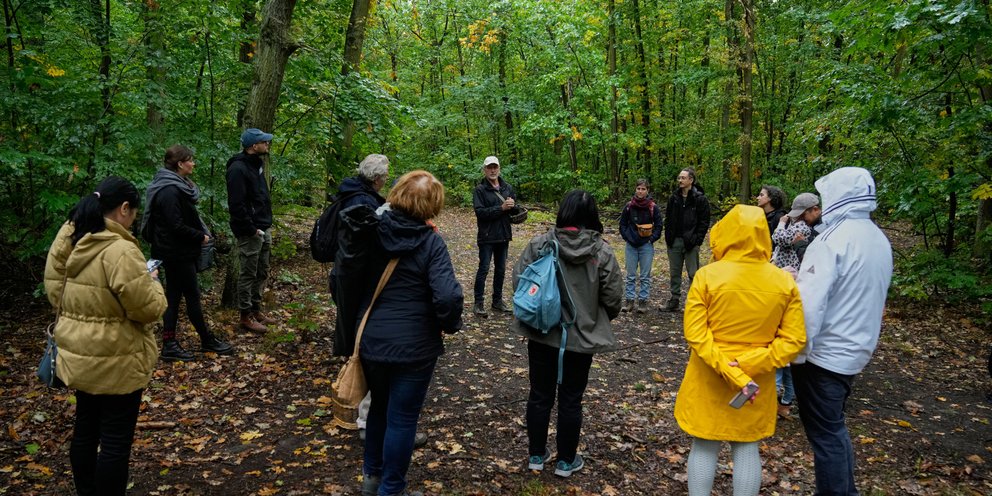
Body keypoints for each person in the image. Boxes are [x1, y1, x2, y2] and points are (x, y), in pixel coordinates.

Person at [339, 170, 463, 496]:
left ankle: (372, 478)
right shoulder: (431, 243)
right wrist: (450, 324)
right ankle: (392, 489)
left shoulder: (369, 232)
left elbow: (343, 278)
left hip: (371, 340)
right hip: (415, 347)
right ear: (432, 206)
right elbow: (448, 297)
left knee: (379, 407)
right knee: (403, 418)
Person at [44, 177, 168, 495]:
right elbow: (148, 309)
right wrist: (153, 281)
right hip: (118, 357)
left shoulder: (68, 235)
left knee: (85, 428)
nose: (133, 221)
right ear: (124, 208)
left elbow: (56, 291)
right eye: (134, 214)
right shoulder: (121, 250)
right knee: (115, 440)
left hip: (78, 352)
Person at [674, 204, 806, 496]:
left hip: (709, 374)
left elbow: (696, 333)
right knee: (747, 446)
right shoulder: (783, 281)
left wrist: (728, 367)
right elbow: (794, 340)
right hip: (756, 381)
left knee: (705, 443)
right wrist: (751, 363)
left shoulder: (707, 276)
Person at [793, 167, 892, 496]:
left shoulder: (831, 241)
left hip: (824, 354)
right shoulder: (877, 238)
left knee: (826, 436)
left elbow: (809, 305)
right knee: (833, 428)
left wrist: (796, 353)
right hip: (856, 348)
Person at [512, 190, 623, 478]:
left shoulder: (540, 244)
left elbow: (520, 283)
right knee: (571, 398)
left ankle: (536, 455)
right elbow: (613, 298)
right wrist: (592, 318)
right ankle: (566, 461)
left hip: (541, 333)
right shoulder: (602, 252)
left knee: (539, 394)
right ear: (593, 216)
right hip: (581, 338)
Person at [143, 145, 233, 361]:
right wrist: (200, 236)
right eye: (190, 160)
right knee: (191, 296)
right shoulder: (169, 190)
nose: (193, 163)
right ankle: (205, 340)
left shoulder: (177, 186)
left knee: (174, 297)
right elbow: (175, 225)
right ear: (180, 164)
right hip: (175, 252)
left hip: (176, 250)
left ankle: (170, 344)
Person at [769, 192, 817, 417]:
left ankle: (779, 400)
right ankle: (784, 400)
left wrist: (781, 223)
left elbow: (779, 238)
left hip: (790, 279)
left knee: (783, 364)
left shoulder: (803, 228)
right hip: (784, 276)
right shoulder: (803, 226)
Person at [226, 128, 277, 333]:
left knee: (262, 270)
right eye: (264, 142)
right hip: (250, 230)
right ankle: (245, 316)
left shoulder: (257, 165)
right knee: (248, 273)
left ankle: (256, 309)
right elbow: (236, 204)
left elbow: (260, 196)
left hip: (263, 225)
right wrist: (250, 228)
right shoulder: (237, 169)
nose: (267, 144)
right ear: (253, 146)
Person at [472, 155, 518, 316]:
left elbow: (514, 210)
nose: (492, 170)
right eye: (489, 167)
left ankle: (497, 301)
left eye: (495, 167)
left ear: (499, 168)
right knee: (484, 269)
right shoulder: (479, 190)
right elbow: (480, 213)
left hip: (503, 234)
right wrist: (501, 208)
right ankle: (478, 303)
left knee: (501, 269)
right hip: (487, 236)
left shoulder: (507, 188)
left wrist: (514, 207)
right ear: (484, 170)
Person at [662, 168, 710, 312]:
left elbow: (704, 222)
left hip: (691, 242)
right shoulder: (674, 198)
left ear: (691, 180)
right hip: (674, 241)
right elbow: (668, 218)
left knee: (693, 273)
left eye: (683, 178)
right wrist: (668, 237)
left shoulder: (700, 199)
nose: (680, 180)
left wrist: (697, 240)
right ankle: (674, 300)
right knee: (674, 272)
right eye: (679, 178)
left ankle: (693, 302)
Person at [618, 179, 663, 313]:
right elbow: (622, 224)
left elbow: (659, 225)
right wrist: (627, 237)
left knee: (645, 276)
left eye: (643, 189)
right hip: (631, 245)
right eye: (638, 188)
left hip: (646, 245)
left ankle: (643, 302)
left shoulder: (652, 207)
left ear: (647, 190)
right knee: (630, 275)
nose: (640, 191)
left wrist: (651, 239)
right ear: (635, 189)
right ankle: (629, 301)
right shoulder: (629, 206)